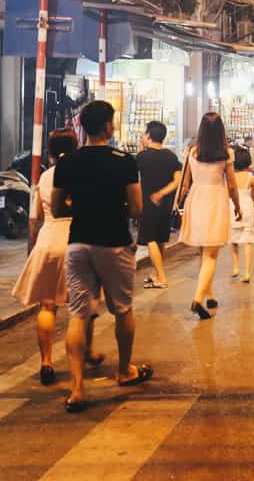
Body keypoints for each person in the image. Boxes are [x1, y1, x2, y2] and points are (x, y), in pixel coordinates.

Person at [52, 100, 152, 412]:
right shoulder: (124, 160)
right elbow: (136, 208)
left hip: (79, 243)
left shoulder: (67, 162)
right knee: (122, 309)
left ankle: (77, 389)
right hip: (114, 243)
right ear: (108, 126)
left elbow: (56, 209)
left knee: (78, 314)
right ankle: (124, 371)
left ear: (81, 126)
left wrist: (81, 205)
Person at [13, 128, 103, 385]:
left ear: (50, 152)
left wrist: (33, 249)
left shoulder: (43, 177)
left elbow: (36, 219)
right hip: (76, 241)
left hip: (48, 242)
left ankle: (46, 362)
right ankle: (85, 352)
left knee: (47, 305)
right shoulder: (85, 174)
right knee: (83, 306)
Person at [178, 112, 244, 320]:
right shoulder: (226, 154)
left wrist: (179, 204)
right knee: (211, 254)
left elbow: (185, 183)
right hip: (215, 199)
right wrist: (238, 205)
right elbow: (232, 185)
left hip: (196, 199)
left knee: (203, 251)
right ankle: (198, 298)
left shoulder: (192, 152)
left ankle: (210, 294)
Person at [136, 121, 181, 290]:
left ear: (148, 135)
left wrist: (156, 194)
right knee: (160, 238)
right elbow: (177, 180)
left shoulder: (142, 156)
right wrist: (163, 193)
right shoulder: (171, 156)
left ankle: (161, 277)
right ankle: (156, 273)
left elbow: (135, 178)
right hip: (165, 203)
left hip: (149, 202)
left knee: (150, 238)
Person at [229, 147, 254, 282]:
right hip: (247, 207)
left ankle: (235, 268)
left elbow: (229, 192)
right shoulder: (252, 178)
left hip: (233, 207)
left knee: (233, 240)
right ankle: (247, 273)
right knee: (247, 241)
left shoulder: (231, 177)